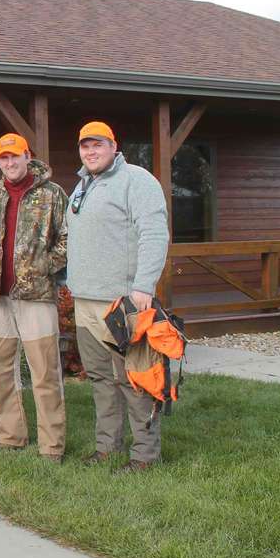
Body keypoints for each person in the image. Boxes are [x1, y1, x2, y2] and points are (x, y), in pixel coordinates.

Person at [66, 121, 169, 472]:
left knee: (134, 379)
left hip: (121, 302)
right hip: (85, 301)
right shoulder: (82, 186)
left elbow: (154, 233)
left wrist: (144, 285)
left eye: (98, 145)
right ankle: (107, 447)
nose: (91, 152)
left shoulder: (137, 181)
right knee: (100, 378)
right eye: (85, 146)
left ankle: (144, 455)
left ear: (114, 146)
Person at [0, 133, 68, 462]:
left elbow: (67, 239)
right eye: (3, 158)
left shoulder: (52, 194)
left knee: (45, 373)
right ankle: (11, 436)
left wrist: (43, 268)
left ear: (28, 156)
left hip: (35, 296)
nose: (10, 163)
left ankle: (51, 445)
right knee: (1, 370)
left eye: (15, 156)